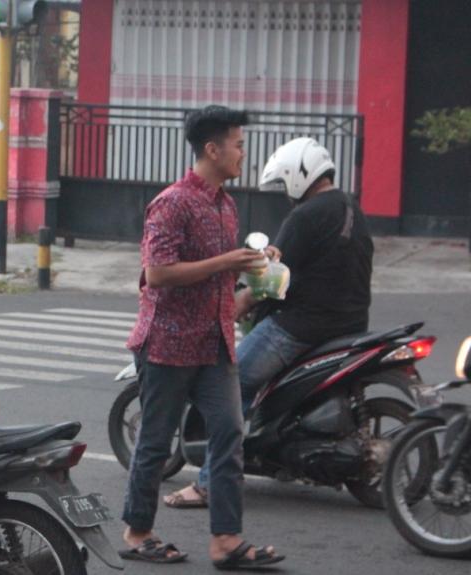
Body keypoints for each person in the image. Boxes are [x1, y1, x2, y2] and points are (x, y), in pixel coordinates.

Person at [164, 136, 374, 510]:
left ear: (298, 175)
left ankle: (210, 484)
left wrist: (240, 301)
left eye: (283, 184)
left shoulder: (305, 215)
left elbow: (271, 277)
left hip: (300, 326)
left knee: (234, 384)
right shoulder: (351, 208)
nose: (285, 194)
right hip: (350, 325)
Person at [121, 105, 284, 569]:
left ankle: (226, 541)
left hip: (215, 341)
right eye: (238, 145)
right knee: (155, 442)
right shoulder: (172, 202)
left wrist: (257, 260)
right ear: (212, 149)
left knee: (230, 433)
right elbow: (157, 273)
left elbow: (224, 269)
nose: (243, 154)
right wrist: (227, 264)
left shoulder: (225, 204)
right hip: (168, 343)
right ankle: (137, 532)